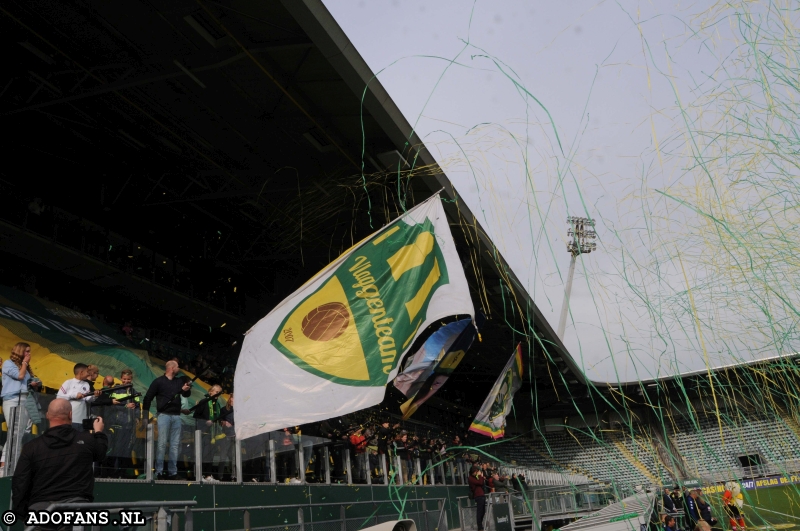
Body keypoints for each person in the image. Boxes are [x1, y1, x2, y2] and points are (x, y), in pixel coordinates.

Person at [11, 399, 107, 517]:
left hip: (40, 510)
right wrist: (99, 432)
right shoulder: (86, 440)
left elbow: (20, 482)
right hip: (75, 509)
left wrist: (23, 514)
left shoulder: (31, 447)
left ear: (47, 415)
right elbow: (100, 454)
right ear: (70, 415)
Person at [142, 360, 191, 479]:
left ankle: (172, 472)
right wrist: (144, 416)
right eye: (178, 367)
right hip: (163, 415)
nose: (179, 369)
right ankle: (159, 471)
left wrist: (186, 389)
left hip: (176, 416)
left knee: (175, 445)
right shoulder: (158, 381)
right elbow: (147, 398)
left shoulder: (179, 381)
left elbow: (186, 395)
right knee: (162, 444)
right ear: (172, 368)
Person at [1, 342, 41, 476]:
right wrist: (24, 363)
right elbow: (19, 376)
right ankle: (5, 463)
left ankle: (13, 460)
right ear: (20, 351)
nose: (29, 354)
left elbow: (24, 380)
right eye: (26, 351)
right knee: (14, 431)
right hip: (12, 399)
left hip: (25, 399)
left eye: (29, 352)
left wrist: (33, 383)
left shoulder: (25, 366)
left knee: (22, 432)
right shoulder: (8, 363)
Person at [193, 384, 223, 482]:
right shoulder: (204, 402)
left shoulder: (217, 405)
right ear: (210, 392)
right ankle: (200, 474)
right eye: (216, 392)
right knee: (203, 454)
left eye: (219, 392)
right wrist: (205, 421)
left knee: (210, 455)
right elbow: (196, 415)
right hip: (203, 433)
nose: (218, 394)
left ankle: (208, 475)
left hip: (212, 434)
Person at [57, 363, 95, 431]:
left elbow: (88, 399)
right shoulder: (68, 383)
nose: (89, 374)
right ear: (81, 372)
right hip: (70, 419)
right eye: (87, 372)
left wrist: (95, 396)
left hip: (82, 420)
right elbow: (59, 397)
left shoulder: (86, 384)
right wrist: (74, 395)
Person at [468, 465, 486, 531]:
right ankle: (480, 527)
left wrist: (480, 477)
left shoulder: (476, 477)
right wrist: (480, 476)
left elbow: (482, 483)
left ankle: (480, 524)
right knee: (480, 511)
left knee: (483, 511)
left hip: (482, 495)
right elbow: (480, 482)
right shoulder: (471, 478)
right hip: (478, 496)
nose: (477, 472)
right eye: (476, 471)